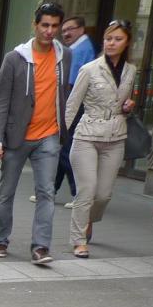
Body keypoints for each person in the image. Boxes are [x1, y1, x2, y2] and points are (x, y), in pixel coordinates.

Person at [0, 1, 72, 265]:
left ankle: (41, 247)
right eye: (45, 25)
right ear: (35, 25)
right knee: (7, 192)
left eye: (55, 26)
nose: (49, 31)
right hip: (17, 136)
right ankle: (0, 238)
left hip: (49, 135)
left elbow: (64, 94)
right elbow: (2, 101)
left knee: (47, 191)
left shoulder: (64, 56)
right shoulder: (15, 58)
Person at [65, 20, 138, 258]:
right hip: (86, 135)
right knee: (86, 190)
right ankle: (78, 240)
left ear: (126, 43)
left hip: (116, 136)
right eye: (108, 38)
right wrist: (59, 137)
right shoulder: (89, 69)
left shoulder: (131, 70)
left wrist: (128, 107)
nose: (111, 43)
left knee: (103, 194)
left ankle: (89, 219)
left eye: (117, 39)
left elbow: (125, 102)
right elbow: (72, 105)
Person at [50, 15, 94, 204]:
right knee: (62, 148)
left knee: (66, 149)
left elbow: (70, 83)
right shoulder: (80, 48)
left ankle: (78, 193)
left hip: (74, 106)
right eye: (64, 29)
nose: (66, 33)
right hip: (74, 105)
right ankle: (51, 190)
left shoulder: (80, 50)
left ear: (81, 29)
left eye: (71, 29)